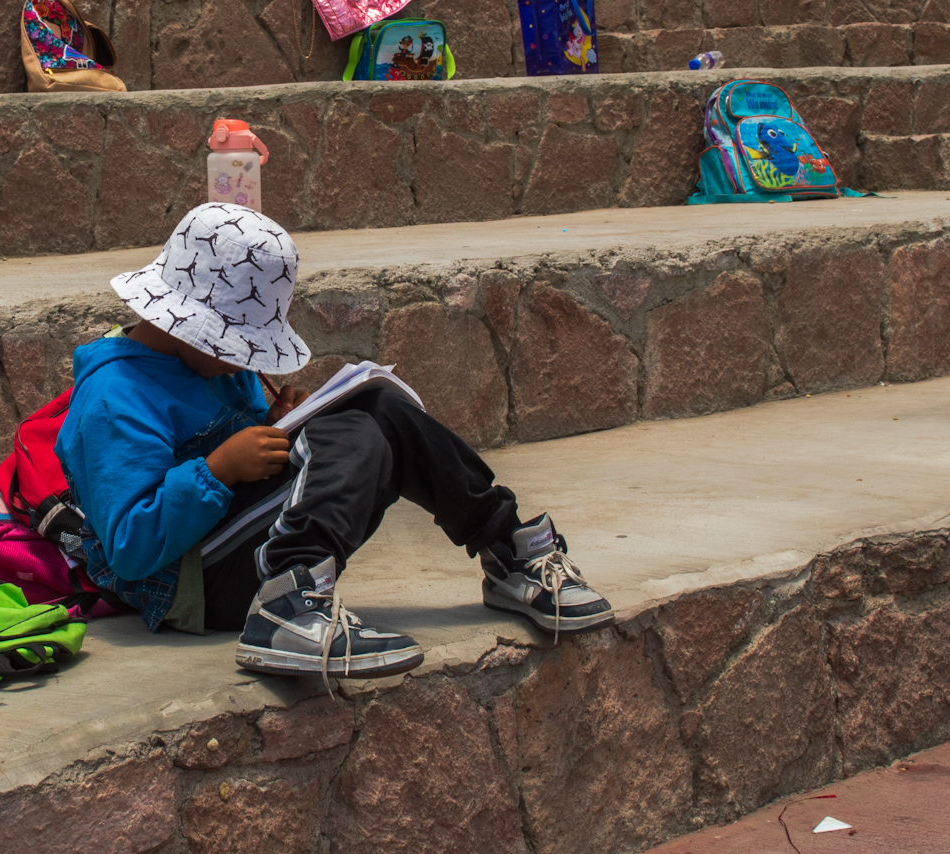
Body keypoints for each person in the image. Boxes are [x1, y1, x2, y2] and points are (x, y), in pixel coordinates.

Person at [55, 202, 612, 680]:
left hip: (238, 544)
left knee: (378, 405)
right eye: (233, 344)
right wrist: (218, 469)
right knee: (351, 428)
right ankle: (289, 612)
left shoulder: (214, 367)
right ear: (181, 322)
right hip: (191, 582)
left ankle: (507, 545)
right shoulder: (114, 396)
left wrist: (276, 424)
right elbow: (130, 548)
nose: (242, 360)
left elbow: (254, 449)